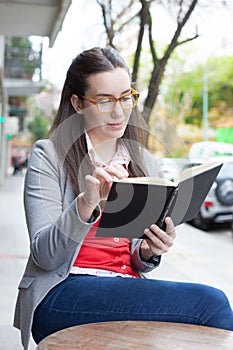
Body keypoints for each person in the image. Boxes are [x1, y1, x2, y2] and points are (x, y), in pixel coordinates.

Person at [14, 46, 233, 350]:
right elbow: (45, 256)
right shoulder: (49, 154)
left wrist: (148, 251)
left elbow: (135, 260)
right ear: (78, 103)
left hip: (123, 287)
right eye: (104, 101)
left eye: (125, 97)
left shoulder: (143, 160)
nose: (119, 111)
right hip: (62, 291)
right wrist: (86, 203)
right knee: (211, 304)